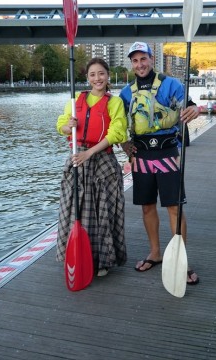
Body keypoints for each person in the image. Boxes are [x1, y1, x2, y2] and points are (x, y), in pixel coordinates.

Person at [119, 41, 201, 285]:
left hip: (167, 155)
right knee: (146, 207)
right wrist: (125, 147)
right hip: (141, 157)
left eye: (143, 59)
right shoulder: (126, 92)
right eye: (135, 60)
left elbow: (188, 105)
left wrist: (193, 109)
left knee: (174, 208)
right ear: (132, 64)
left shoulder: (170, 84)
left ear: (151, 59)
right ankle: (155, 253)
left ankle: (180, 259)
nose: (140, 64)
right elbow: (120, 125)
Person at [55, 58, 128, 277]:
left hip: (102, 161)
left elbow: (117, 133)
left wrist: (90, 152)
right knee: (74, 209)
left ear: (108, 76)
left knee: (102, 210)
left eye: (101, 74)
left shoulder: (114, 103)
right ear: (87, 78)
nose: (97, 78)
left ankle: (103, 260)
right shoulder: (75, 100)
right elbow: (61, 125)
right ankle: (76, 253)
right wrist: (68, 126)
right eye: (92, 75)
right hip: (78, 159)